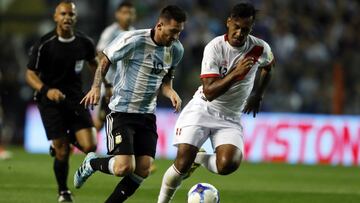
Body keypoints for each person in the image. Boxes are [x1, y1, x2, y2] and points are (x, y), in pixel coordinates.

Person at [157, 3, 275, 202]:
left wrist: (258, 95)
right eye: (236, 26)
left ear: (251, 28)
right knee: (182, 163)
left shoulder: (259, 48)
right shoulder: (215, 47)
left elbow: (269, 66)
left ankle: (200, 157)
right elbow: (210, 92)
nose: (239, 33)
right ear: (228, 22)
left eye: (245, 29)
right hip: (203, 108)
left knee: (228, 165)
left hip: (230, 116)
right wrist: (236, 74)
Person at [74, 5, 186, 203]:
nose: (175, 37)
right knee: (123, 167)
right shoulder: (133, 40)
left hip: (147, 115)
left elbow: (166, 81)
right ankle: (91, 163)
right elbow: (105, 59)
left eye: (179, 32)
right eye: (173, 32)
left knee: (143, 169)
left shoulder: (176, 49)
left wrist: (171, 92)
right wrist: (95, 87)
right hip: (122, 112)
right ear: (160, 25)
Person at [25, 1, 97, 202]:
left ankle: (61, 142)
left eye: (71, 14)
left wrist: (101, 85)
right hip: (50, 102)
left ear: (76, 18)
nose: (67, 17)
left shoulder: (84, 42)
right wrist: (46, 90)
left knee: (90, 146)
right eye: (63, 14)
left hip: (76, 99)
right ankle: (63, 191)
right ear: (55, 17)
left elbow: (94, 62)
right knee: (63, 151)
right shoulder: (44, 44)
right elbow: (30, 74)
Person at [94, 1, 136, 130]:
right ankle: (86, 145)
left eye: (130, 13)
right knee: (100, 121)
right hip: (109, 83)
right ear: (117, 15)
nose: (127, 16)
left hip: (125, 86)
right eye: (124, 13)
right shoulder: (110, 32)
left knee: (120, 121)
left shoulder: (135, 33)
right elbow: (100, 55)